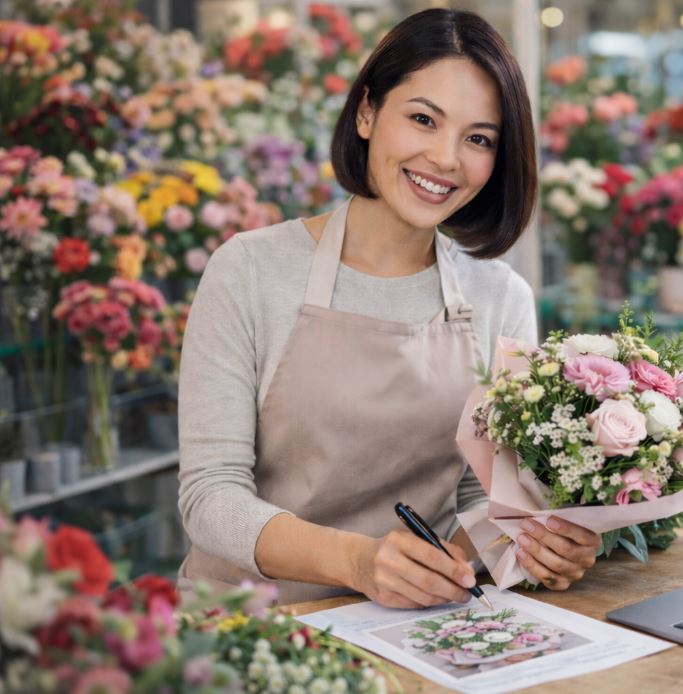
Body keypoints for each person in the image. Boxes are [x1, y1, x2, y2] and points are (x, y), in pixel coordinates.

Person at [177, 8, 600, 607]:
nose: (447, 158)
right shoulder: (250, 270)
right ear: (368, 112)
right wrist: (359, 561)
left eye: (478, 138)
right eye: (423, 119)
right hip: (251, 624)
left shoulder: (500, 297)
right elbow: (211, 498)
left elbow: (482, 497)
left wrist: (527, 539)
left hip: (412, 626)